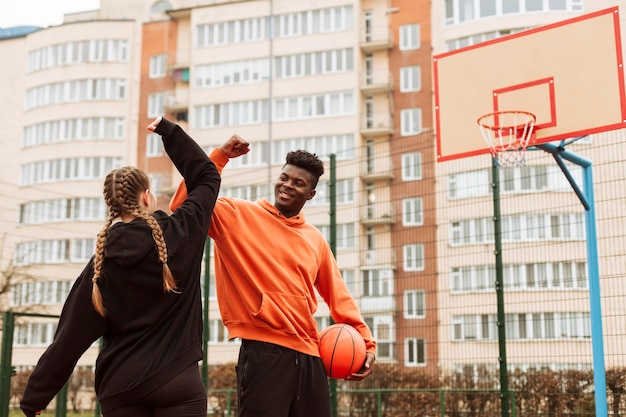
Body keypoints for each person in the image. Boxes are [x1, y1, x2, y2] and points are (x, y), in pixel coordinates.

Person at [20, 117, 225, 417]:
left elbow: (69, 338)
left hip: (121, 386)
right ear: (146, 196)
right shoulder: (182, 232)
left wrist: (35, 398)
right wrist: (170, 132)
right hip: (178, 383)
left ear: (111, 205)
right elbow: (207, 177)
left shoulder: (100, 265)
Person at [169, 138, 377, 417]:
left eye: (299, 183)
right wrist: (219, 157)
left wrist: (367, 344)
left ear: (311, 194)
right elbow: (182, 204)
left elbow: (338, 296)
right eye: (284, 177)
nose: (288, 185)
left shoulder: (314, 239)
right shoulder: (236, 215)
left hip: (310, 356)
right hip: (263, 355)